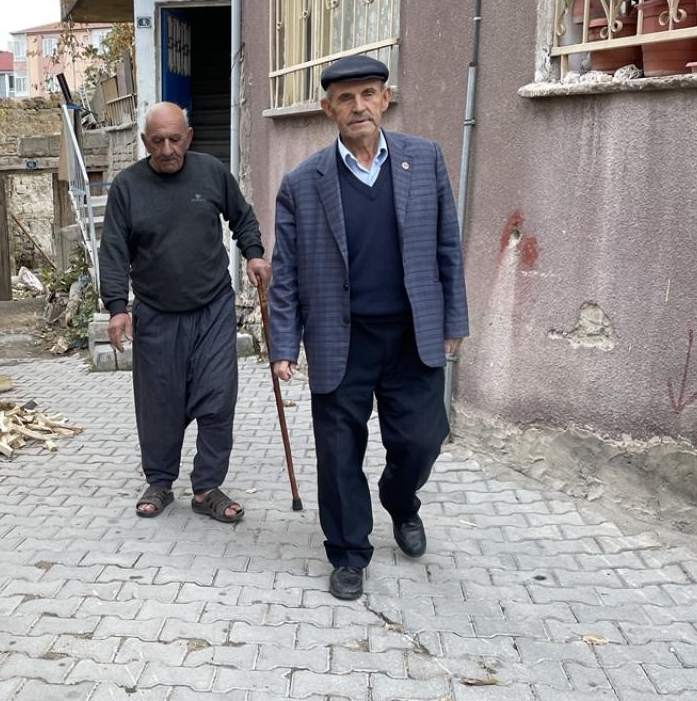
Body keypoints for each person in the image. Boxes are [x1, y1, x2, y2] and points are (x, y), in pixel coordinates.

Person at [268, 56, 469, 600]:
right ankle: (348, 552)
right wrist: (283, 344)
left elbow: (447, 245)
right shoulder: (302, 183)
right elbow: (286, 271)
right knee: (338, 454)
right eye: (345, 98)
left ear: (385, 99)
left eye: (368, 94)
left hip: (411, 335)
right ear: (327, 108)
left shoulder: (424, 159)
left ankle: (400, 501)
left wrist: (454, 318)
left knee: (423, 438)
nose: (358, 106)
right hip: (341, 338)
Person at [98, 101, 271, 523]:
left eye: (175, 139)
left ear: (188, 137)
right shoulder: (127, 187)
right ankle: (159, 482)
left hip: (212, 307)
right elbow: (114, 250)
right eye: (157, 141)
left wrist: (253, 254)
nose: (167, 149)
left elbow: (242, 217)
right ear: (145, 142)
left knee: (218, 397)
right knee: (159, 402)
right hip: (157, 313)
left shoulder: (211, 172)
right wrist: (117, 308)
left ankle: (207, 488)